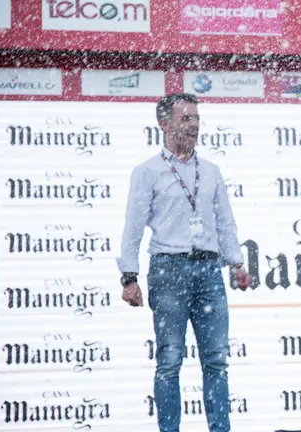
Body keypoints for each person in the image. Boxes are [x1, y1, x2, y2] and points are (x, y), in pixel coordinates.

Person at [116, 93, 252, 432]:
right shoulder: (147, 172)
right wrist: (128, 277)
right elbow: (133, 225)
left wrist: (236, 262)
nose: (193, 125)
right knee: (169, 361)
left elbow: (225, 221)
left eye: (196, 118)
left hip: (209, 271)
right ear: (165, 124)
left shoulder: (210, 171)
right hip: (168, 270)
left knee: (217, 361)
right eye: (186, 118)